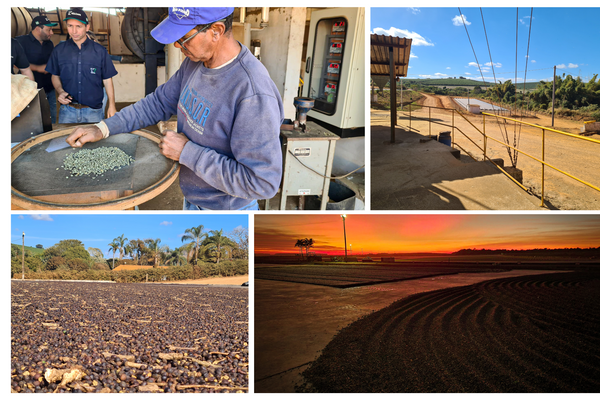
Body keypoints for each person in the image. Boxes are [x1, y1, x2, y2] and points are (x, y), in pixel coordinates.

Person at [66, 7, 284, 211]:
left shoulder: (252, 93)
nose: (178, 46)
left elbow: (261, 182)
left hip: (225, 211)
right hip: (192, 199)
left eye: (184, 38)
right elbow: (158, 102)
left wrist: (187, 153)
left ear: (216, 31)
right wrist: (102, 128)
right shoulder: (194, 63)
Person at [45, 9, 117, 123]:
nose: (74, 31)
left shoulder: (100, 51)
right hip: (67, 111)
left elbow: (108, 80)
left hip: (94, 112)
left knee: (96, 141)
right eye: (70, 26)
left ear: (87, 27)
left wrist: (112, 105)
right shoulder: (59, 50)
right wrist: (60, 91)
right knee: (65, 141)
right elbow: (55, 75)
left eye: (78, 26)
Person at [15, 16, 57, 121]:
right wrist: (38, 68)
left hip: (49, 90)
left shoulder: (49, 43)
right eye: (49, 30)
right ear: (38, 29)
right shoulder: (20, 42)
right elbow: (14, 63)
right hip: (29, 91)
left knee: (51, 121)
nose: (51, 33)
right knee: (33, 122)